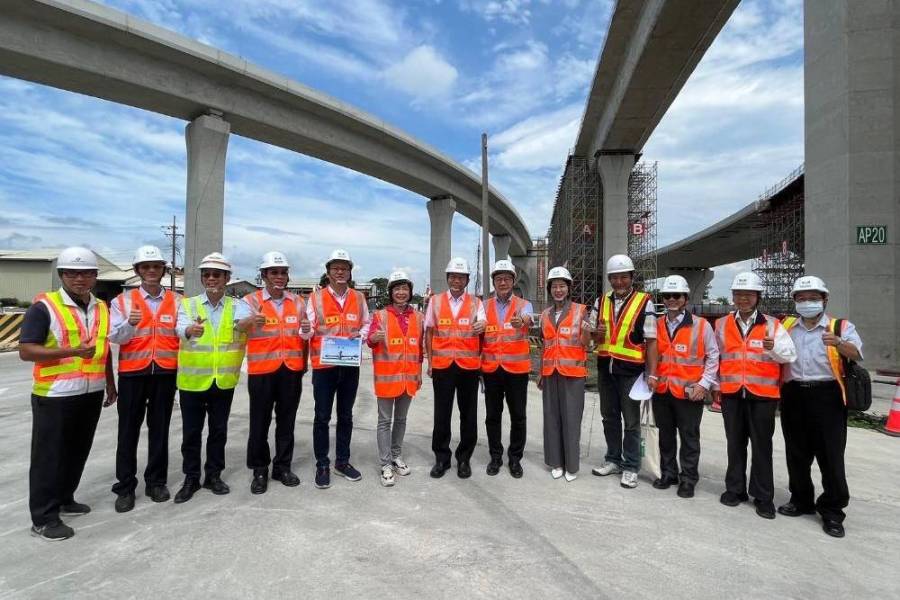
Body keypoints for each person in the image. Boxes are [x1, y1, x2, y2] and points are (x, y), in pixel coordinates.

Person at [18, 246, 116, 540]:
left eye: (86, 273)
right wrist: (71, 350)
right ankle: (44, 518)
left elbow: (104, 348)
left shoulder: (100, 307)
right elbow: (26, 350)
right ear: (62, 275)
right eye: (73, 273)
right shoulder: (44, 307)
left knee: (77, 451)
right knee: (49, 455)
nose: (80, 279)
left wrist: (110, 383)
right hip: (55, 394)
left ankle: (64, 498)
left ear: (95, 277)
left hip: (91, 391)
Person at [779, 275, 862, 538]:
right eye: (801, 299)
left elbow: (857, 354)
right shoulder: (788, 326)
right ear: (795, 302)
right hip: (794, 394)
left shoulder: (840, 326)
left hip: (828, 395)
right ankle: (801, 500)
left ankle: (832, 510)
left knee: (830, 455)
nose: (807, 303)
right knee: (796, 453)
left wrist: (838, 343)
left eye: (813, 298)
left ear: (824, 299)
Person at [712, 271, 796, 519]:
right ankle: (735, 489)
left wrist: (775, 349)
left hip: (763, 395)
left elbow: (789, 355)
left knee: (762, 446)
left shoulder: (772, 325)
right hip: (732, 393)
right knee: (734, 444)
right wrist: (716, 385)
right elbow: (716, 357)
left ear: (758, 297)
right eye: (738, 294)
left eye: (748, 295)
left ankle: (763, 497)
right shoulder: (722, 324)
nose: (743, 299)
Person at [173, 253, 254, 503]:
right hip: (193, 382)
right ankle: (191, 478)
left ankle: (213, 476)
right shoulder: (189, 305)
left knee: (218, 431)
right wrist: (189, 329)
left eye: (216, 274)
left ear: (227, 278)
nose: (211, 279)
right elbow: (179, 327)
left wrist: (250, 323)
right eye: (206, 274)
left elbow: (245, 324)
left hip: (223, 382)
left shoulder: (238, 306)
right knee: (192, 433)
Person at [108, 245, 180, 512]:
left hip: (164, 372)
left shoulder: (178, 301)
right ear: (137, 270)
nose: (151, 271)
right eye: (146, 267)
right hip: (133, 374)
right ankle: (125, 487)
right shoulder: (122, 302)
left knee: (160, 430)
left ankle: (156, 482)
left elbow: (182, 333)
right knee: (127, 432)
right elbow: (115, 338)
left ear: (163, 270)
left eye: (156, 267)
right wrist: (130, 324)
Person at [302, 249, 370, 489]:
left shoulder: (359, 298)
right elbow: (307, 330)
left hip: (349, 366)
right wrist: (304, 329)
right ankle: (322, 463)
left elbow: (366, 324)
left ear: (350, 272)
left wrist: (358, 334)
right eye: (336, 268)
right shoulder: (315, 298)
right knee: (322, 416)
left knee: (346, 416)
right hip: (325, 366)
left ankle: (342, 461)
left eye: (344, 268)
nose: (340, 272)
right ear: (328, 272)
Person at [590, 254, 658, 489]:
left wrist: (652, 373)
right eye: (614, 278)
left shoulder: (644, 302)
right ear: (609, 278)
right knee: (609, 417)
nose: (618, 282)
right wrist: (595, 334)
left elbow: (651, 341)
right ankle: (612, 459)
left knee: (630, 422)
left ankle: (630, 466)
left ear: (631, 277)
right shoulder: (601, 301)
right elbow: (593, 335)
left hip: (631, 372)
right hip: (606, 369)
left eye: (623, 277)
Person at [650, 275, 719, 499]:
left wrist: (704, 384)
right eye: (667, 296)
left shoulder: (701, 325)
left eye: (676, 296)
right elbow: (651, 356)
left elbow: (713, 357)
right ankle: (668, 473)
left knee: (689, 438)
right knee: (665, 435)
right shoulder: (657, 324)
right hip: (662, 390)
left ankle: (688, 479)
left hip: (689, 392)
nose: (671, 300)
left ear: (685, 298)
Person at [244, 251, 306, 494]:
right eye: (274, 272)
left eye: (283, 272)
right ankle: (260, 469)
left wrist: (306, 337)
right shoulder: (251, 301)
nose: (279, 277)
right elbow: (238, 329)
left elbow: (305, 335)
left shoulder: (298, 302)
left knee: (287, 422)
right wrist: (249, 322)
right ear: (264, 275)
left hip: (290, 370)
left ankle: (283, 466)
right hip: (262, 370)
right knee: (259, 423)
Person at [425, 257, 486, 479]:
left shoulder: (476, 303)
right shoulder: (436, 301)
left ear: (467, 280)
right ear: (448, 278)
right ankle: (442, 458)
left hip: (468, 367)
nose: (456, 280)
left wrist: (482, 326)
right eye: (453, 276)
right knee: (442, 414)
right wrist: (430, 362)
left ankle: (464, 459)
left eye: (461, 277)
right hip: (442, 366)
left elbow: (483, 325)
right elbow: (429, 332)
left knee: (468, 415)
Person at [367, 271, 423, 487]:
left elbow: (418, 348)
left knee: (401, 420)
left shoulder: (417, 317)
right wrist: (374, 338)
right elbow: (370, 341)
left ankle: (396, 456)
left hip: (409, 378)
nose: (401, 293)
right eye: (397, 289)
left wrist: (418, 371)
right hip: (386, 378)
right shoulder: (380, 316)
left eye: (405, 289)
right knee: (384, 421)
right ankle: (385, 463)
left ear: (410, 292)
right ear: (391, 292)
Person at [538, 267, 591, 481]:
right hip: (551, 372)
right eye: (555, 286)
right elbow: (545, 345)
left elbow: (587, 343)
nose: (558, 290)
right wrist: (541, 372)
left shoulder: (580, 311)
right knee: (551, 418)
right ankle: (556, 462)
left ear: (569, 288)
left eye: (562, 286)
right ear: (550, 289)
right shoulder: (544, 315)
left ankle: (571, 465)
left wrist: (588, 332)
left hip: (573, 373)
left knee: (571, 419)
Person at [481, 259, 533, 478]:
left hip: (516, 370)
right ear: (494, 282)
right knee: (493, 416)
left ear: (513, 281)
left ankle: (515, 458)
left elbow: (528, 319)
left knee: (518, 416)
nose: (502, 282)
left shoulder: (524, 305)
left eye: (507, 278)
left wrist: (522, 321)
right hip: (491, 370)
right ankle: (495, 457)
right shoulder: (483, 306)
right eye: (498, 279)